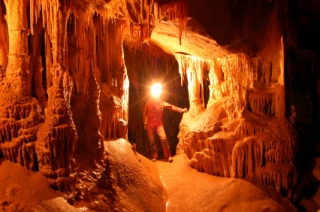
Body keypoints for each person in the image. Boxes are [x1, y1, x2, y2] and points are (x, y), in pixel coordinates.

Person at [143, 83, 188, 162]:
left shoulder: (161, 102)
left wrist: (182, 110)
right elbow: (144, 113)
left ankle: (168, 155)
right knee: (152, 141)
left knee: (164, 139)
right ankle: (154, 155)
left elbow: (171, 107)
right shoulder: (148, 103)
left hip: (159, 123)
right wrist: (145, 123)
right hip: (150, 123)